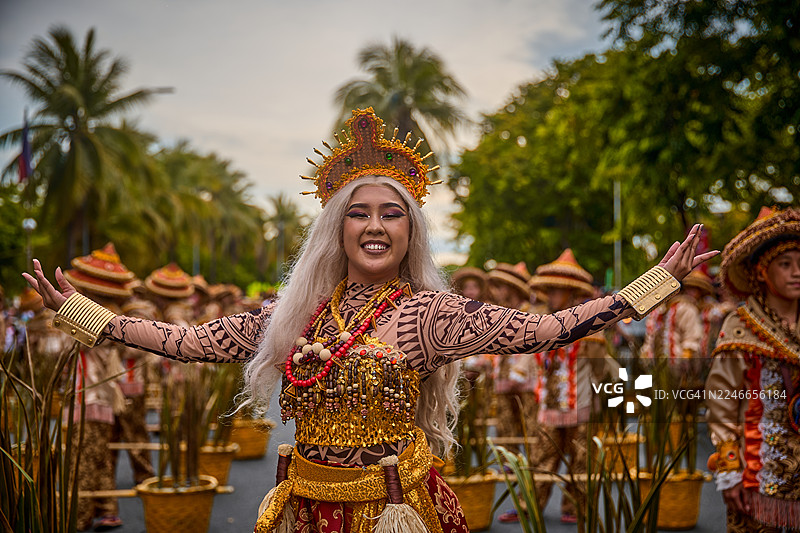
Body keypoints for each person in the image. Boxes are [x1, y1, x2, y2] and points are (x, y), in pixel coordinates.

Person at [24, 108, 715, 533]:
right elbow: (188, 341)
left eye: (392, 214)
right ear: (337, 228)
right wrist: (80, 313)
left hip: (394, 510)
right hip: (304, 506)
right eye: (359, 212)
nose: (376, 225)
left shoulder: (431, 316)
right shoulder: (294, 316)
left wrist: (656, 282)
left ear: (411, 232)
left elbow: (548, 329)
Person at [705, 206, 800, 533]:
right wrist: (729, 471)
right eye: (785, 264)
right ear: (761, 272)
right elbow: (721, 406)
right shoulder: (740, 327)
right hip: (756, 478)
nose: (797, 272)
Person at [526, 248, 620, 524]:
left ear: (571, 292)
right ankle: (530, 504)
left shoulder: (589, 325)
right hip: (548, 404)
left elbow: (601, 369)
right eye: (550, 290)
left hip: (580, 403)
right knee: (541, 457)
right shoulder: (541, 322)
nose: (552, 295)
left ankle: (575, 507)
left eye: (558, 291)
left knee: (581, 459)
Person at [62, 243, 135, 531]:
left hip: (91, 395)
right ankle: (106, 509)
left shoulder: (99, 317)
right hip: (96, 395)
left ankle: (77, 517)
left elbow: (65, 346)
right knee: (99, 455)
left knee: (81, 458)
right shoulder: (109, 314)